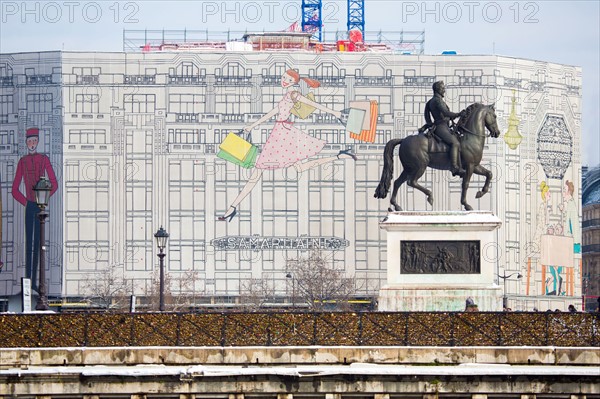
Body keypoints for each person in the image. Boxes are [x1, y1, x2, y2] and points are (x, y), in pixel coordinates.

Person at [218, 69, 354, 221]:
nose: (284, 81)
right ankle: (339, 156)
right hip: (281, 133)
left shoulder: (293, 94)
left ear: (294, 82)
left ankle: (232, 208)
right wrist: (252, 125)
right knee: (299, 168)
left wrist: (335, 113)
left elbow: (311, 104)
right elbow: (271, 113)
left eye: (288, 80)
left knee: (257, 173)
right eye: (283, 78)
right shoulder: (286, 96)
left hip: (282, 135)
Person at [11, 127, 58, 289]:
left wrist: (42, 200)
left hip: (39, 205)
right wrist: (27, 203)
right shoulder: (22, 161)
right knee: (29, 244)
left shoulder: (44, 159)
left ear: (37, 142)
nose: (31, 144)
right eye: (29, 141)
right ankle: (28, 282)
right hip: (30, 206)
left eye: (34, 141)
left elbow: (55, 183)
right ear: (26, 143)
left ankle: (37, 283)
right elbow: (14, 189)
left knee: (39, 244)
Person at [419, 81, 465, 176]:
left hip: (443, 126)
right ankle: (454, 167)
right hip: (441, 127)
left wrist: (430, 124)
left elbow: (427, 116)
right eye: (443, 88)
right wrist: (458, 114)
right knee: (455, 143)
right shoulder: (437, 100)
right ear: (438, 89)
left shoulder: (431, 101)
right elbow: (445, 113)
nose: (444, 90)